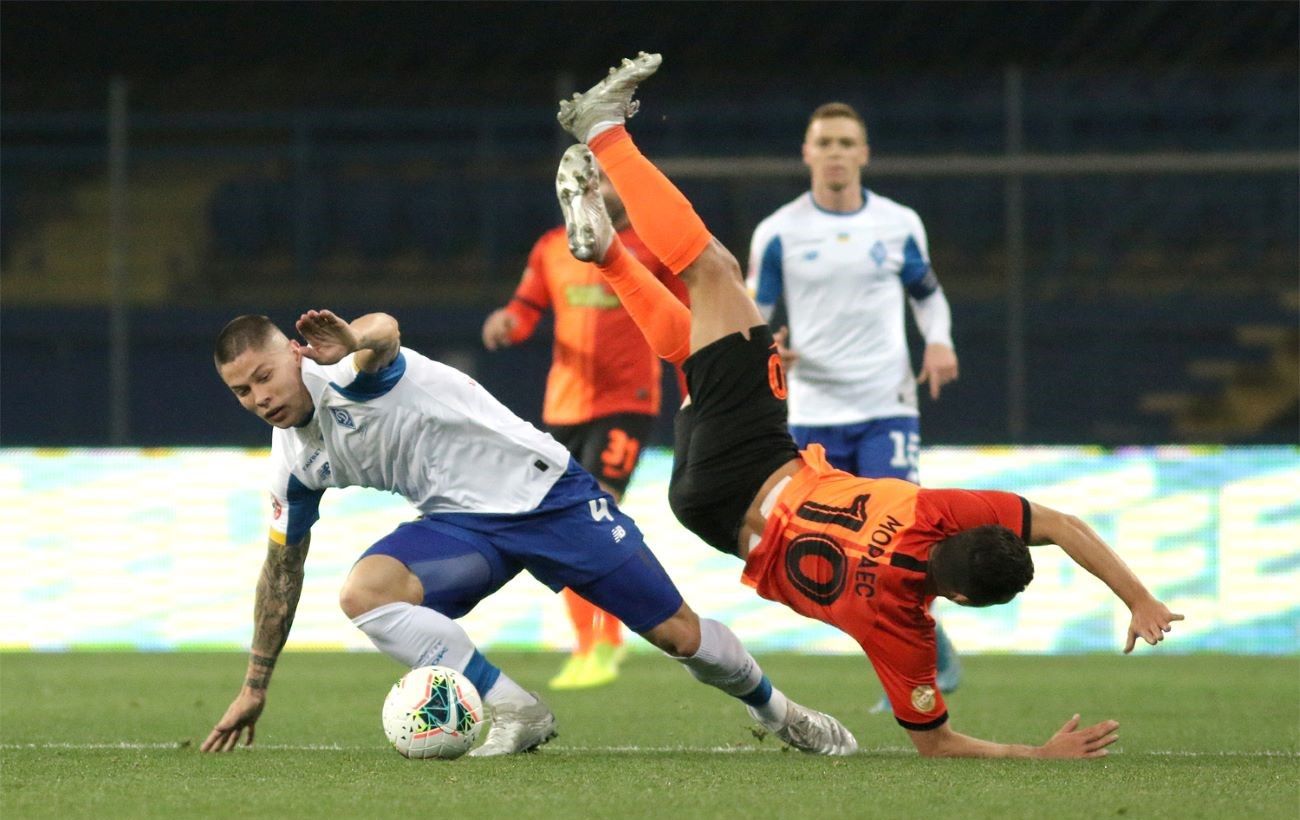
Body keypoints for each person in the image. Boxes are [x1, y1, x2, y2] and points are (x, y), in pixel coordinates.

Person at [554, 51, 1184, 758]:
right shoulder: (902, 628)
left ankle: (604, 130)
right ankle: (609, 254)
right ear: (960, 601)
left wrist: (1138, 597)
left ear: (968, 528)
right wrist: (1036, 755)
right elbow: (937, 745)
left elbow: (1064, 525)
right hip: (711, 515)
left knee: (711, 272)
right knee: (700, 359)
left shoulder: (935, 512)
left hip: (761, 461)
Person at [201, 307, 857, 756]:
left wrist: (353, 338)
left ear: (295, 354)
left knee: (681, 637)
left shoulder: (349, 372)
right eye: (240, 391)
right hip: (462, 528)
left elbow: (386, 331)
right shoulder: (294, 463)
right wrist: (255, 686)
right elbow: (281, 570)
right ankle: (519, 710)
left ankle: (780, 712)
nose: (259, 397)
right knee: (364, 593)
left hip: (549, 498)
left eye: (265, 375)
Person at [746, 101, 963, 712]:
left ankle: (919, 667)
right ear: (807, 153)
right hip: (813, 410)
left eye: (846, 142)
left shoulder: (897, 223)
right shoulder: (779, 231)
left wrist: (940, 341)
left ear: (864, 153)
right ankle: (934, 650)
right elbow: (756, 314)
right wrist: (769, 348)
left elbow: (928, 295)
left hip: (886, 404)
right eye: (825, 143)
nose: (836, 153)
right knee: (832, 555)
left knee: (901, 542)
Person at [482, 175, 688, 690]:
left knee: (594, 512)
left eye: (606, 181)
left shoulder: (651, 247)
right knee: (563, 523)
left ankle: (608, 642)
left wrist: (695, 392)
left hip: (626, 403)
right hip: (564, 406)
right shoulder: (553, 247)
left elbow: (684, 321)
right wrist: (508, 323)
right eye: (586, 182)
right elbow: (527, 309)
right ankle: (588, 643)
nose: (594, 191)